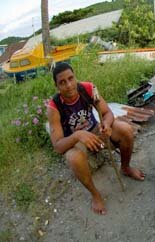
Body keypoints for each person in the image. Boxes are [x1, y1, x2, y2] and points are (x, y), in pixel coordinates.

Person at [47, 62, 145, 215]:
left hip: (96, 130)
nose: (69, 85)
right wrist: (78, 135)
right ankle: (95, 194)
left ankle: (125, 167)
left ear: (75, 77)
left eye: (71, 78)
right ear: (56, 86)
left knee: (125, 129)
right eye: (62, 82)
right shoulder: (54, 107)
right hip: (75, 141)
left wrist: (106, 125)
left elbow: (107, 113)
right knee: (74, 158)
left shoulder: (88, 89)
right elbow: (58, 146)